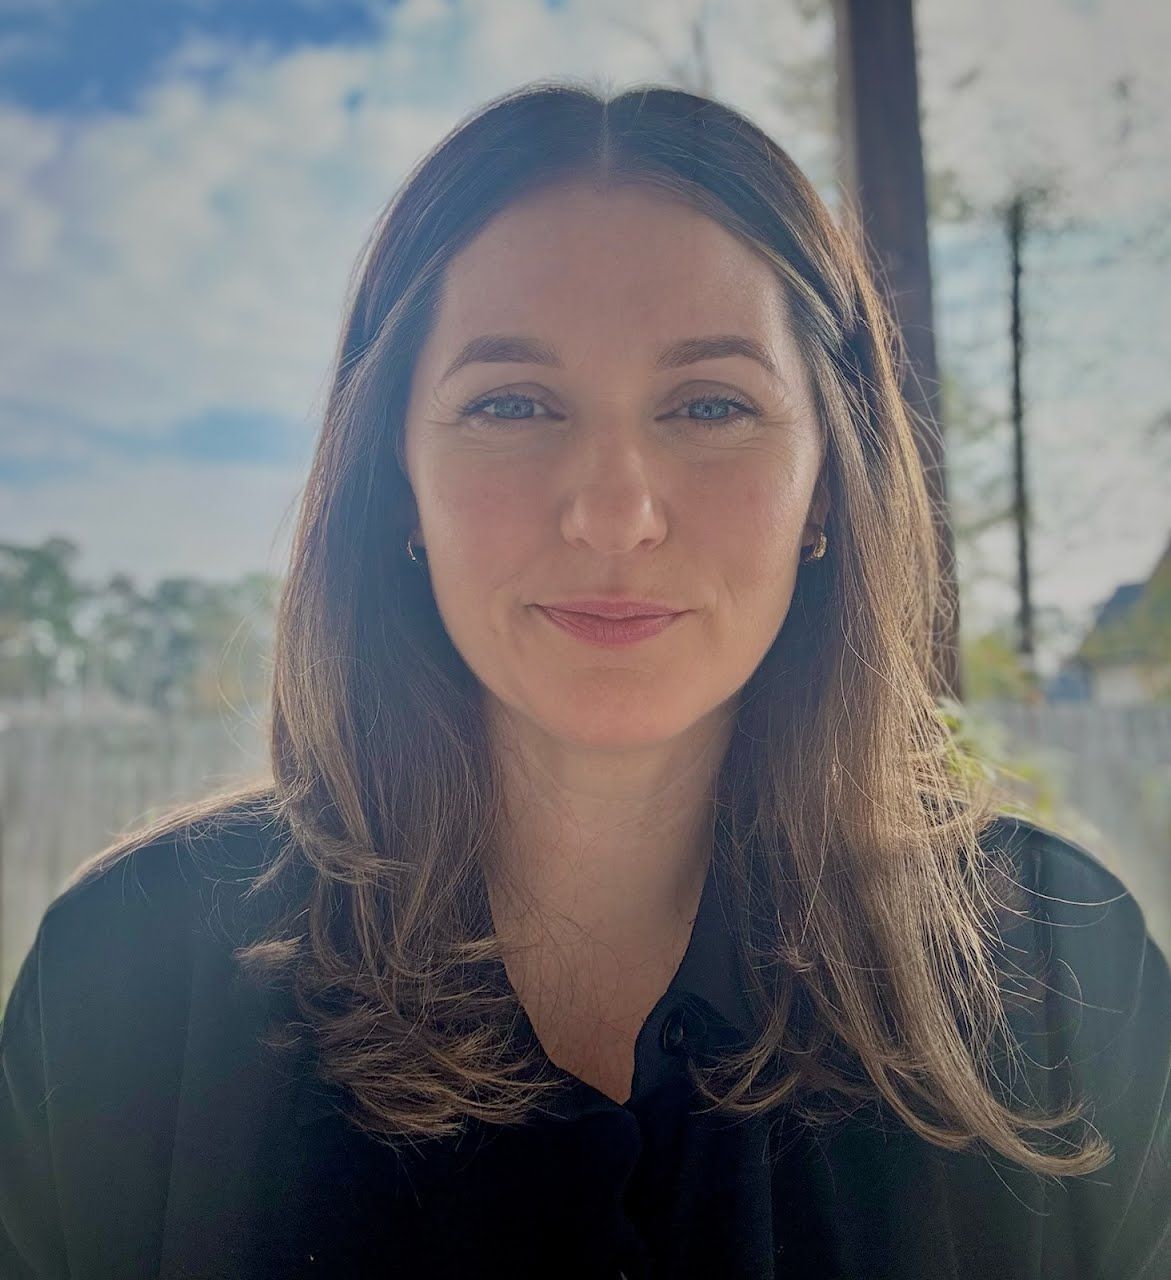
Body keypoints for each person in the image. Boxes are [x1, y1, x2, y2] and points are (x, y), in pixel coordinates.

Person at [1, 81, 1168, 1280]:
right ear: (396, 476)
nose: (616, 512)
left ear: (825, 481)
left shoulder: (1068, 984)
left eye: (710, 403)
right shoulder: (120, 982)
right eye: (510, 402)